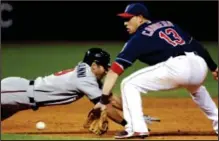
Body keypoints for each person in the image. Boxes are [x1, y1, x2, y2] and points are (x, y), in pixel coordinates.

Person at [92, 3, 218, 139]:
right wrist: (214, 67)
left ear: (140, 18)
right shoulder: (169, 24)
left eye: (128, 19)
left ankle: (136, 128)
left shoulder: (138, 38)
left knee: (129, 84)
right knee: (197, 89)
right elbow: (197, 45)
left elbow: (114, 71)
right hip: (199, 65)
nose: (125, 23)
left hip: (178, 66)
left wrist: (103, 100)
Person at [1, 48, 159, 129]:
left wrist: (137, 115)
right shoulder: (85, 79)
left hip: (21, 100)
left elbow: (109, 98)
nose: (106, 71)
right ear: (94, 65)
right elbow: (107, 106)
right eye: (104, 67)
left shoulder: (86, 73)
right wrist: (128, 124)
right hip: (17, 91)